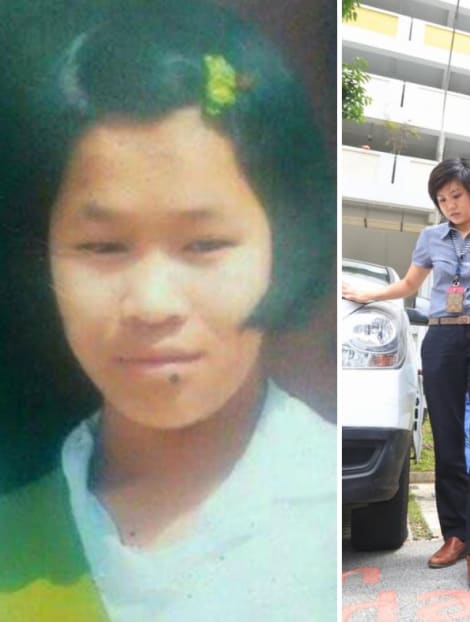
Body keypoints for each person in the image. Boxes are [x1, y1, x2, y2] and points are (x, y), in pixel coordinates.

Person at [0, 1, 336, 619]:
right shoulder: (16, 531)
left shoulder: (328, 512)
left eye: (205, 244)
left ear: (285, 246)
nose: (151, 304)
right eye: (102, 246)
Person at [342, 158, 470, 590]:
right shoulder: (430, 237)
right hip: (442, 342)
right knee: (449, 440)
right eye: (441, 199)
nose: (449, 205)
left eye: (456, 195)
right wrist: (370, 294)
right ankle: (454, 535)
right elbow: (409, 284)